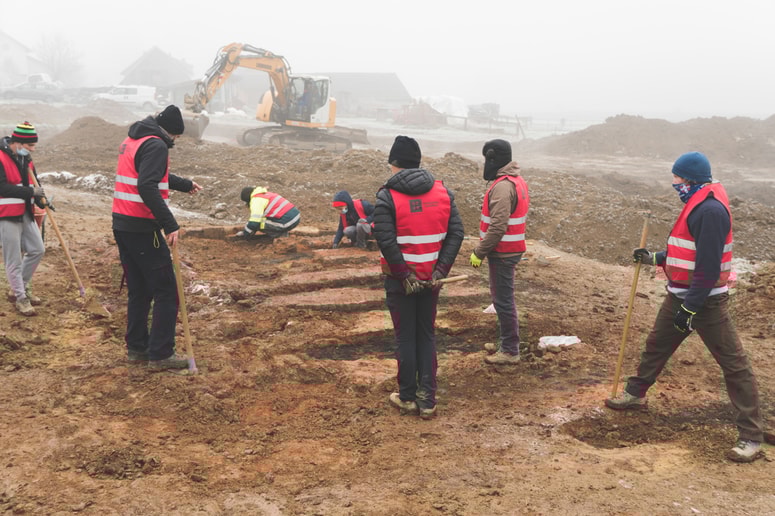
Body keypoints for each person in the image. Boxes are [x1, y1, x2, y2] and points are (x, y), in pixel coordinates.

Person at [605, 151, 765, 463]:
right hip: (681, 295)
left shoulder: (710, 211)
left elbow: (706, 266)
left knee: (734, 365)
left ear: (690, 180)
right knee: (656, 346)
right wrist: (656, 258)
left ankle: (751, 436)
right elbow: (687, 251)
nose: (674, 183)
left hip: (706, 302)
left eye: (677, 178)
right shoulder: (697, 203)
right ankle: (635, 394)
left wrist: (691, 308)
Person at [374, 135, 464, 419]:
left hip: (401, 282)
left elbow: (385, 240)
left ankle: (407, 397)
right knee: (426, 335)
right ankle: (428, 400)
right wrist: (439, 271)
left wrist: (403, 274)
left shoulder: (387, 196)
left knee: (405, 338)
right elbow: (456, 233)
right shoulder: (442, 193)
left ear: (394, 164)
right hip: (432, 280)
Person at [112, 105, 203, 369]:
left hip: (123, 223)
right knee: (166, 291)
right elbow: (147, 185)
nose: (174, 142)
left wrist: (184, 184)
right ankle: (161, 354)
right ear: (171, 132)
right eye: (176, 137)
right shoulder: (157, 145)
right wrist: (169, 224)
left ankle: (138, 348)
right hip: (142, 227)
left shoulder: (133, 140)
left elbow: (150, 175)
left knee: (139, 290)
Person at [470, 139, 529, 366]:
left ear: (493, 158)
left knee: (503, 301)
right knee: (502, 298)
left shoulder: (503, 186)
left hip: (503, 252)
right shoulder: (516, 180)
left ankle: (510, 350)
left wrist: (479, 252)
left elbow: (497, 226)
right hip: (509, 249)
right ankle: (506, 342)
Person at [0, 122, 46, 316]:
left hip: (25, 211)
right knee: (13, 259)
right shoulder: (1, 158)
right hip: (6, 214)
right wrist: (30, 191)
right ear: (17, 142)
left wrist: (41, 199)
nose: (32, 149)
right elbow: (2, 188)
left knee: (37, 249)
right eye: (30, 146)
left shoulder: (26, 159)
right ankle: (20, 298)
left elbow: (34, 182)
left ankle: (20, 286)